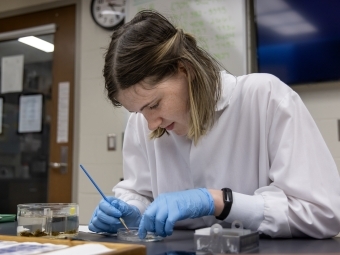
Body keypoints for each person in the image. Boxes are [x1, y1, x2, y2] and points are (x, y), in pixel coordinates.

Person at [89, 10, 340, 239]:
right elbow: (140, 193)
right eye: (139, 111)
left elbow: (323, 214)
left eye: (154, 104)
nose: (151, 123)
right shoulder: (143, 122)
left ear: (184, 69)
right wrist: (131, 211)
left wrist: (220, 201)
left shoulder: (265, 97)